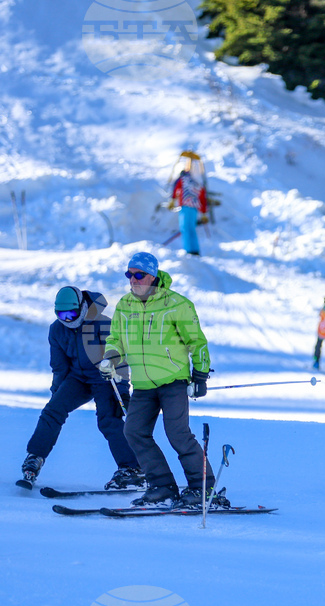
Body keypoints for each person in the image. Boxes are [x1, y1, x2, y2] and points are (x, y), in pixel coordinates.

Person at [100, 252, 220, 508]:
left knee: (178, 434)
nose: (133, 279)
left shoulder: (177, 304)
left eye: (139, 274)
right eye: (129, 274)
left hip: (173, 380)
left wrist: (200, 375)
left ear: (153, 276)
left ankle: (203, 489)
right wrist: (110, 358)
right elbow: (116, 340)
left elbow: (196, 342)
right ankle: (162, 486)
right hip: (142, 384)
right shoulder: (124, 305)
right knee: (134, 432)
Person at [18, 287, 143, 490]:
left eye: (71, 314)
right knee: (52, 411)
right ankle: (35, 458)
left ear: (82, 307)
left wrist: (122, 391)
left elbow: (119, 360)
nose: (67, 319)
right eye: (61, 315)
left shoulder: (103, 324)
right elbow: (59, 366)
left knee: (108, 419)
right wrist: (57, 393)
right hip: (77, 378)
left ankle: (131, 469)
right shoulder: (56, 329)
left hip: (104, 378)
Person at [171, 158, 208, 256]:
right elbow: (202, 199)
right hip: (194, 208)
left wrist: (173, 199)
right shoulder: (199, 182)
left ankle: (189, 250)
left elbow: (176, 188)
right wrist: (203, 212)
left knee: (185, 228)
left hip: (185, 207)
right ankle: (194, 249)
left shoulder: (184, 179)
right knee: (191, 228)